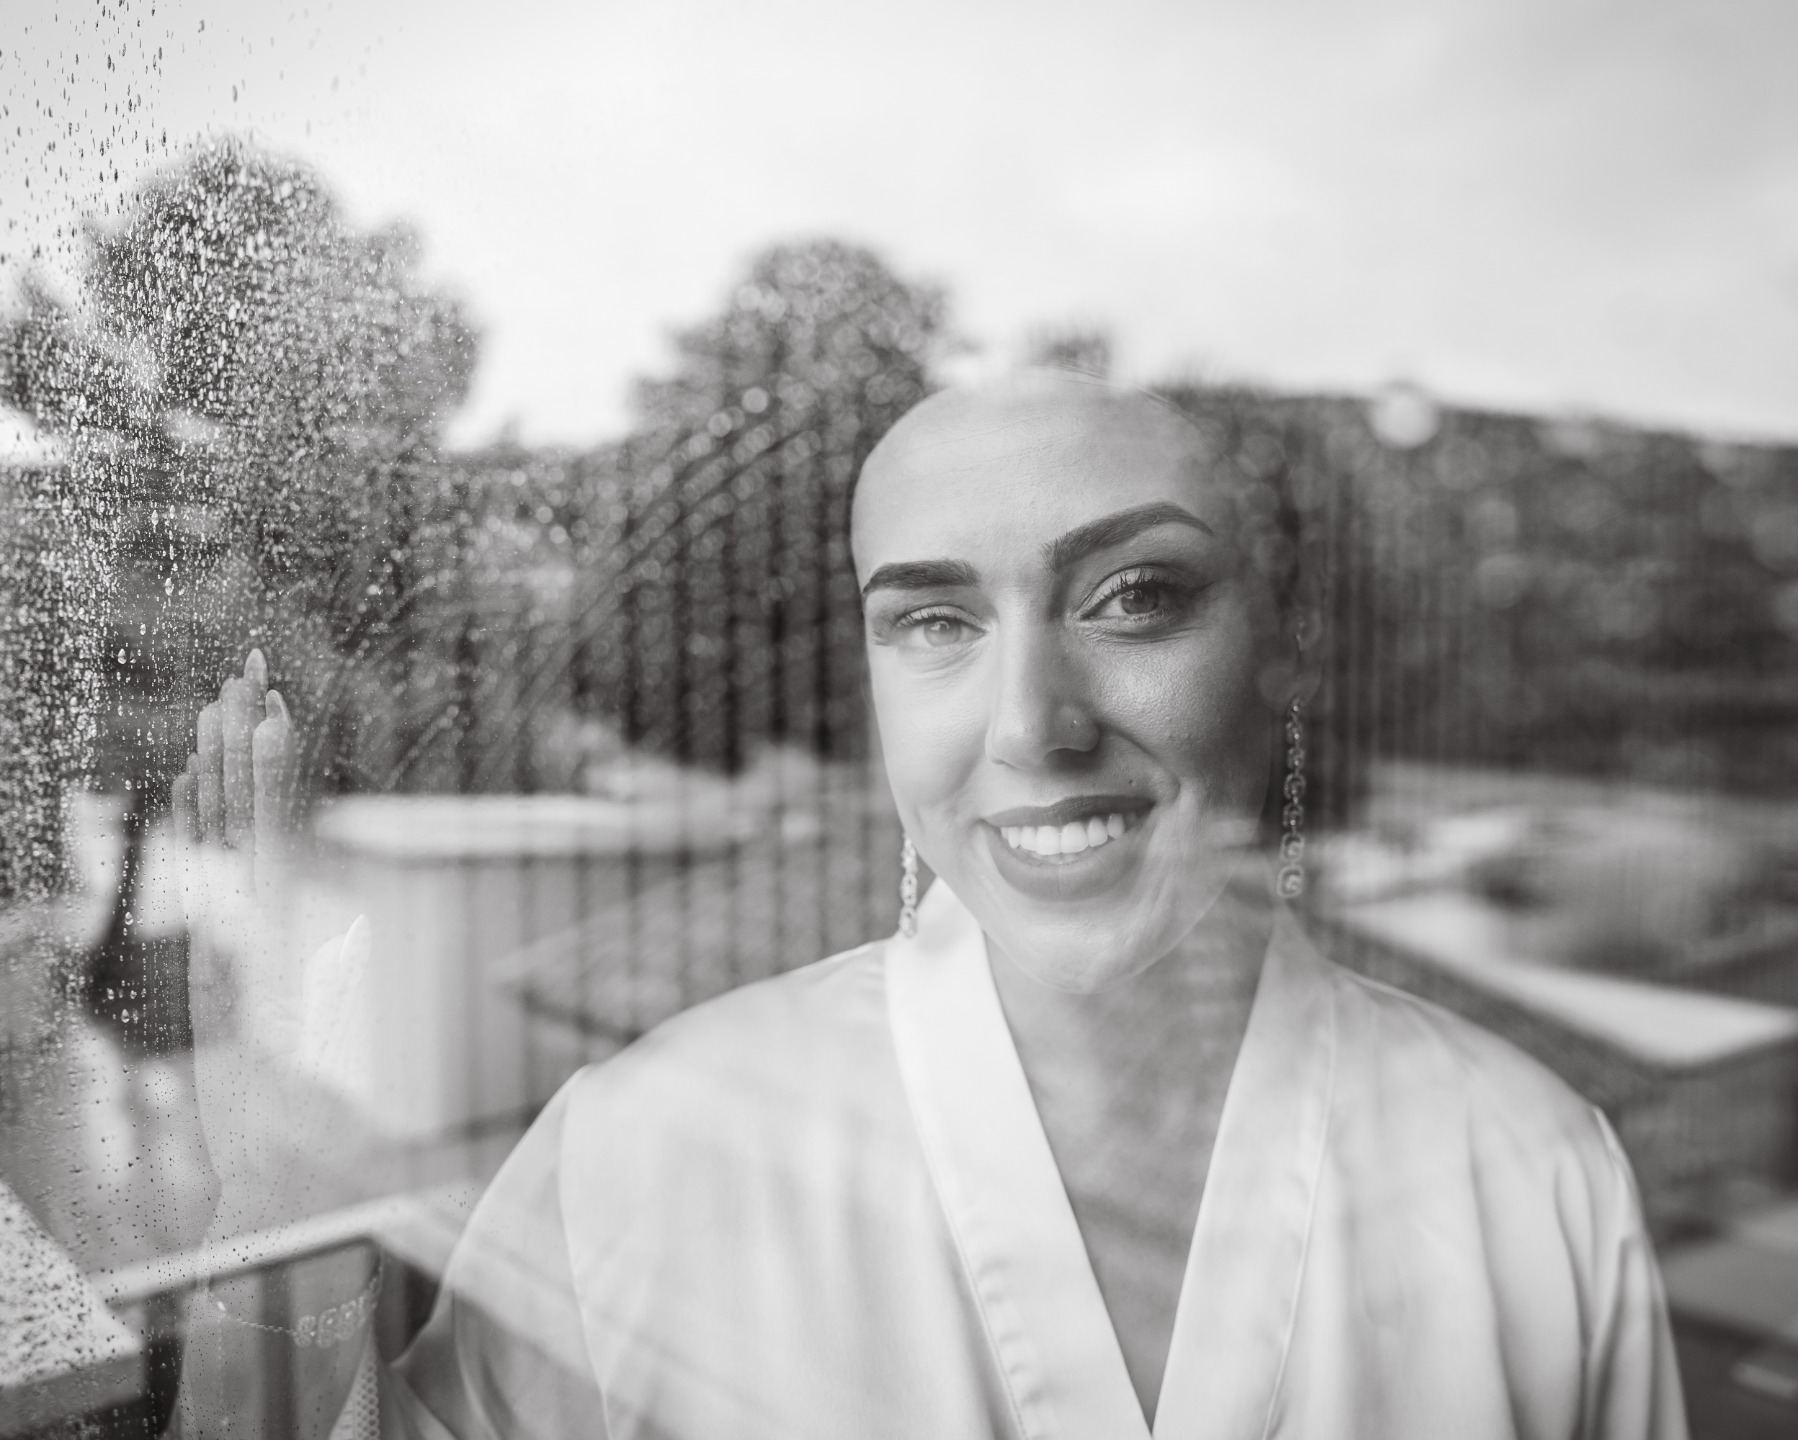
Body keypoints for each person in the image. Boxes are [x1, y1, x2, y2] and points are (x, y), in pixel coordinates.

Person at [194, 371, 1689, 1438]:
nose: (1031, 725)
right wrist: (264, 1198)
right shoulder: (642, 1155)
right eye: (934, 620)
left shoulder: (1534, 1178)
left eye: (1136, 597)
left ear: (1285, 646)